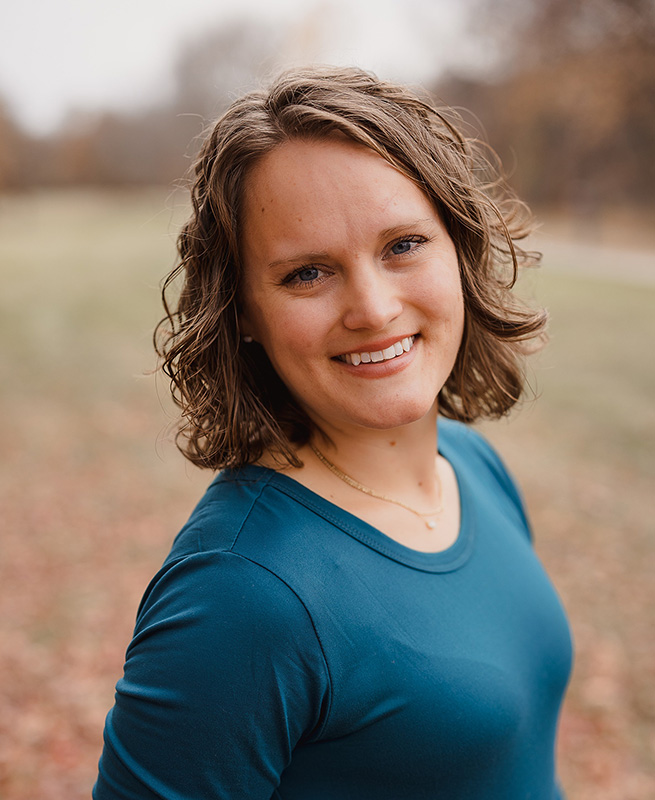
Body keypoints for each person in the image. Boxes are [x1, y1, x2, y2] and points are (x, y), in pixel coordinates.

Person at [94, 66, 573, 799]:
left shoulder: (470, 467)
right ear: (243, 313)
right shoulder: (243, 594)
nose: (374, 309)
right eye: (307, 273)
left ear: (458, 247)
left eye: (402, 245)